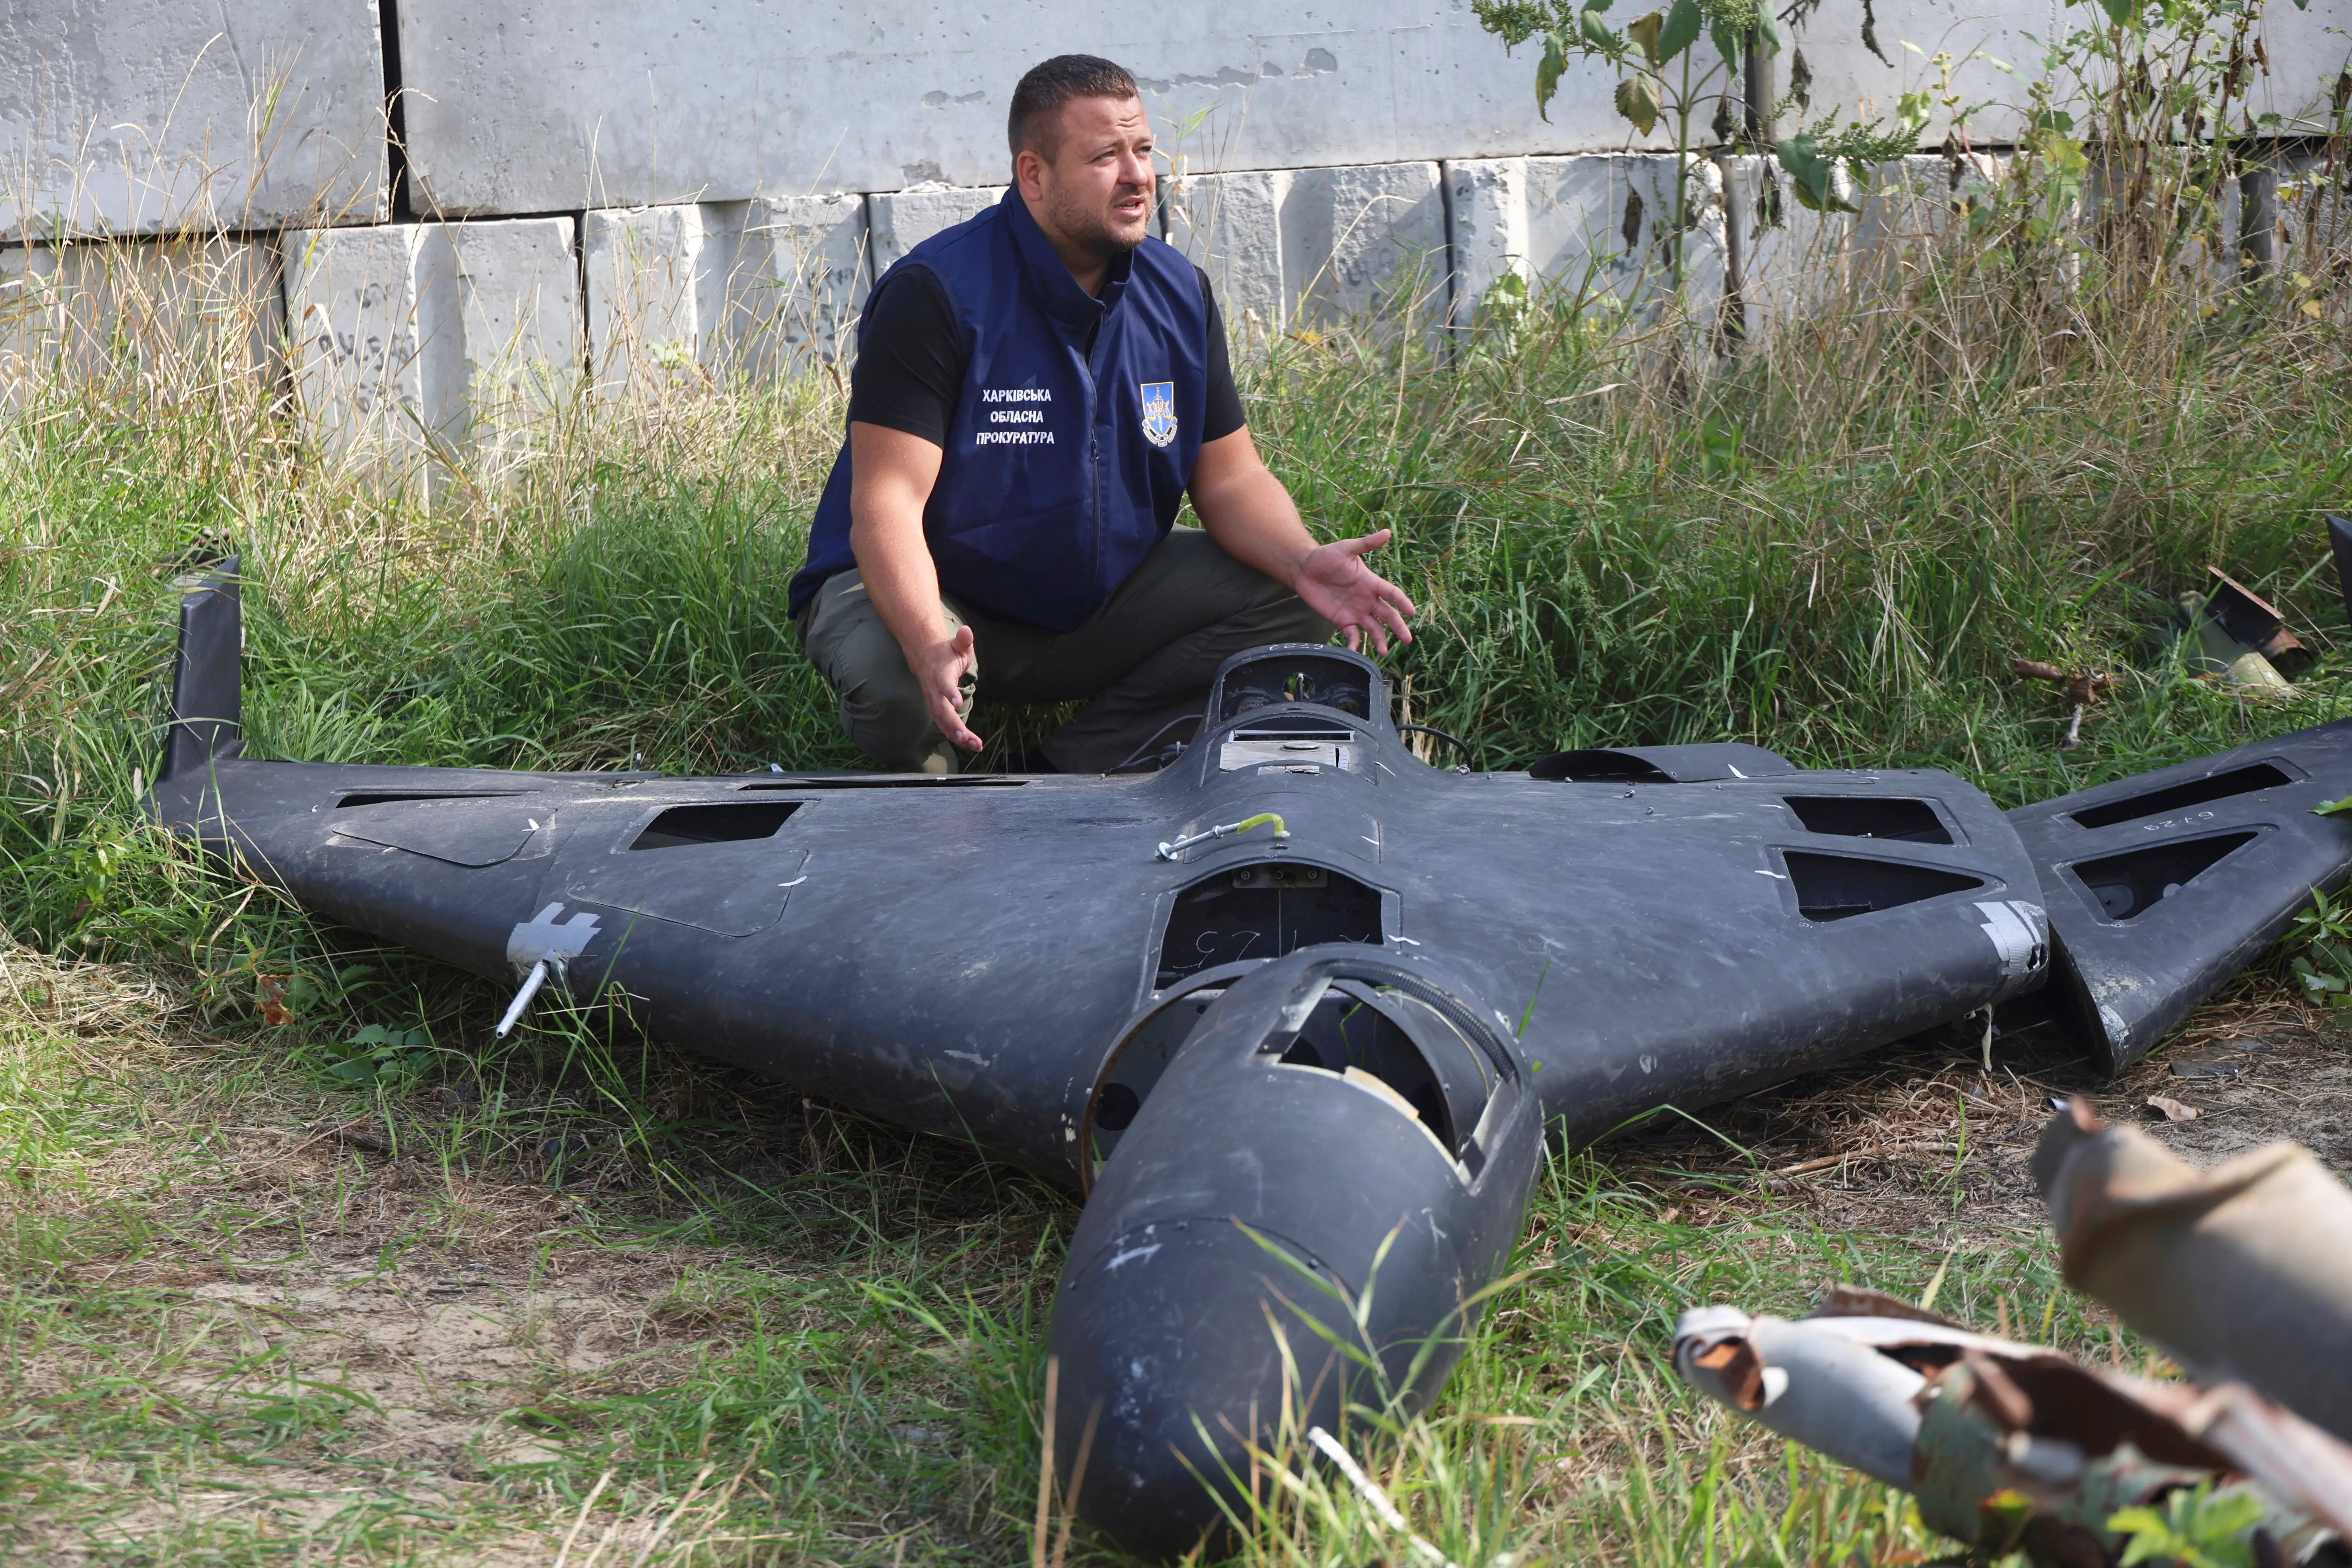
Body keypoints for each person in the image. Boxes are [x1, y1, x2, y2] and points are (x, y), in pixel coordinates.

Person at [787, 54, 1416, 774]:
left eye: (1143, 150)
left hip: (1091, 599)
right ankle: (947, 812)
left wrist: (1306, 559)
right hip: (937, 592)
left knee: (1290, 599)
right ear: (1034, 175)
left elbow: (1232, 480)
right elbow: (887, 506)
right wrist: (930, 636)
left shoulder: (1178, 293)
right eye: (1105, 156)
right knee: (896, 687)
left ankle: (1062, 774)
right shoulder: (937, 294)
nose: (1139, 175)